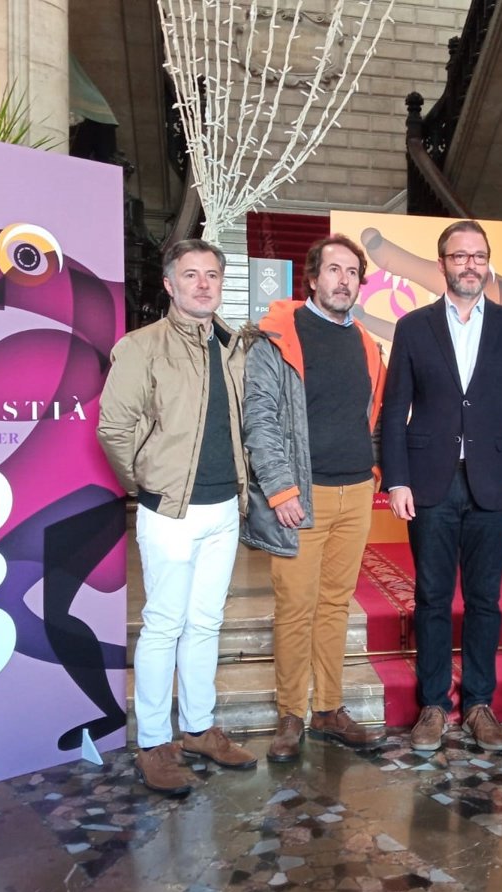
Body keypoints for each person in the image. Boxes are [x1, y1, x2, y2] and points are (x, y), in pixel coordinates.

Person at [381, 220, 502, 752]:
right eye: (460, 256)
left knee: (484, 600)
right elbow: (393, 410)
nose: (470, 265)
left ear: (487, 263)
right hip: (429, 482)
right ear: (442, 265)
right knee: (431, 598)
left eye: (478, 256)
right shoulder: (413, 327)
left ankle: (478, 704)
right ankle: (433, 705)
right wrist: (396, 479)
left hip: (493, 483)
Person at [97, 238, 256, 796]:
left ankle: (198, 728)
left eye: (212, 274)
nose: (203, 284)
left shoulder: (234, 345)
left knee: (206, 622)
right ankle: (154, 743)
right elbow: (113, 428)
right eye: (191, 274)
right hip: (170, 510)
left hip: (223, 508)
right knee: (164, 624)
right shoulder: (141, 347)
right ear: (169, 283)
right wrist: (146, 485)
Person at [242, 234, 387, 763]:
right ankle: (291, 715)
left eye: (352, 272)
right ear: (312, 277)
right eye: (334, 269)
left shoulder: (367, 344)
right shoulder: (278, 337)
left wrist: (375, 470)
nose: (344, 280)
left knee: (334, 606)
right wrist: (281, 489)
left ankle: (327, 708)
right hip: (302, 497)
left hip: (356, 492)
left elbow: (372, 414)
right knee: (296, 607)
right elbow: (259, 418)